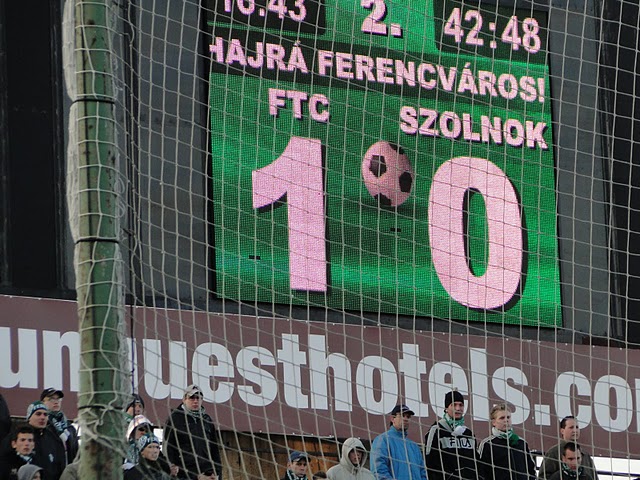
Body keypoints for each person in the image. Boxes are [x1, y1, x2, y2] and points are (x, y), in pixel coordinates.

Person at [163, 385, 223, 480]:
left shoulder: (207, 419)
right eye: (192, 398)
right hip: (184, 473)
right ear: (184, 399)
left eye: (198, 398)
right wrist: (172, 468)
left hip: (206, 472)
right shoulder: (175, 419)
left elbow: (214, 449)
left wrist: (218, 472)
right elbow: (168, 447)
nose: (195, 401)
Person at [424, 390, 479, 480]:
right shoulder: (436, 430)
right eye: (454, 405)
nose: (458, 408)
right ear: (446, 408)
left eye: (461, 405)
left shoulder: (468, 433)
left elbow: (477, 463)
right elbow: (430, 463)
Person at [477, 404, 536, 480]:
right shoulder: (487, 444)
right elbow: (481, 470)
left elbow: (531, 469)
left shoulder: (521, 443)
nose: (506, 420)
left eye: (508, 417)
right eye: (502, 418)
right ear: (493, 422)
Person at [370, 404, 427, 480]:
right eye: (402, 415)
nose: (405, 419)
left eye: (408, 417)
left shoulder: (414, 447)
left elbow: (423, 473)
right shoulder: (383, 440)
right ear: (392, 418)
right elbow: (378, 470)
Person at [26, 401, 67, 480]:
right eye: (38, 414)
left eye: (45, 414)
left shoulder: (54, 438)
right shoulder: (20, 436)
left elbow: (61, 465)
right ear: (29, 417)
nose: (42, 417)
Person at [40, 388, 79, 465]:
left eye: (58, 399)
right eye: (51, 399)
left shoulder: (70, 427)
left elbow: (76, 454)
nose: (56, 402)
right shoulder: (41, 425)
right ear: (42, 403)